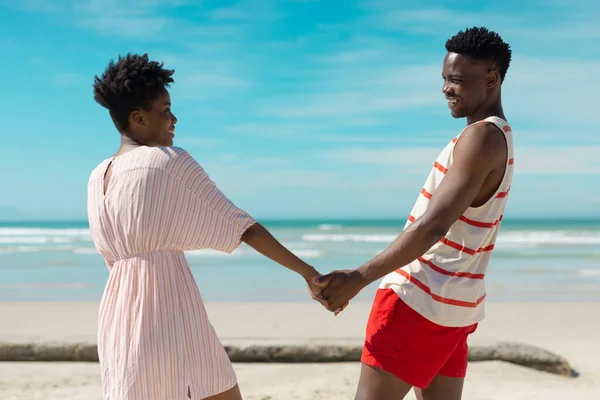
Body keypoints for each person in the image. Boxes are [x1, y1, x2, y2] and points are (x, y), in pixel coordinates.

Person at [87, 53, 331, 400]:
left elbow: (112, 257)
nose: (174, 118)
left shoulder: (97, 178)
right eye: (165, 110)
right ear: (138, 117)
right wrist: (309, 273)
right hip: (167, 307)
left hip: (118, 316)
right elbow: (240, 226)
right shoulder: (166, 162)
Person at [317, 26, 514, 400]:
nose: (445, 89)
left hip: (417, 300)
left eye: (456, 80)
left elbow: (432, 226)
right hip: (455, 306)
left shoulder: (481, 137)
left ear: (491, 79)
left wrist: (358, 277)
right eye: (444, 79)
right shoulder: (499, 136)